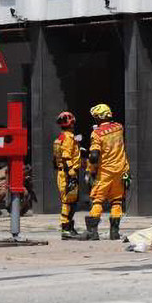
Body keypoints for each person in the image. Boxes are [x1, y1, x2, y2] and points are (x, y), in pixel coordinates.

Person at [84, 103, 129, 241]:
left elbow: (94, 156)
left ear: (98, 117)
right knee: (117, 201)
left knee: (97, 200)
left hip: (105, 172)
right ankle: (114, 233)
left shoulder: (96, 133)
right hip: (122, 170)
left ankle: (92, 233)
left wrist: (90, 171)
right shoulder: (119, 127)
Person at [51, 111, 82, 240]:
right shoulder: (68, 137)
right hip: (68, 173)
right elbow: (66, 156)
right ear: (72, 123)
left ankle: (69, 227)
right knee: (69, 202)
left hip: (61, 172)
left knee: (70, 201)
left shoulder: (60, 137)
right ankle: (66, 229)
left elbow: (55, 159)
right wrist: (71, 173)